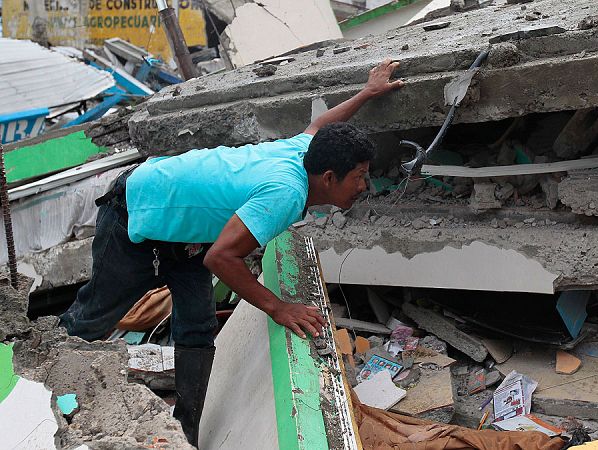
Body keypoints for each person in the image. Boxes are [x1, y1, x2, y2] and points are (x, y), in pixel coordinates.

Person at [60, 59, 404, 446]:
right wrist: (279, 307)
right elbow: (221, 259)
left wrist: (368, 92)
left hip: (185, 238)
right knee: (92, 320)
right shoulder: (286, 193)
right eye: (359, 177)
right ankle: (46, 392)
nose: (364, 186)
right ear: (328, 178)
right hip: (135, 215)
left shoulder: (307, 151)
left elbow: (318, 127)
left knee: (197, 328)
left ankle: (183, 433)